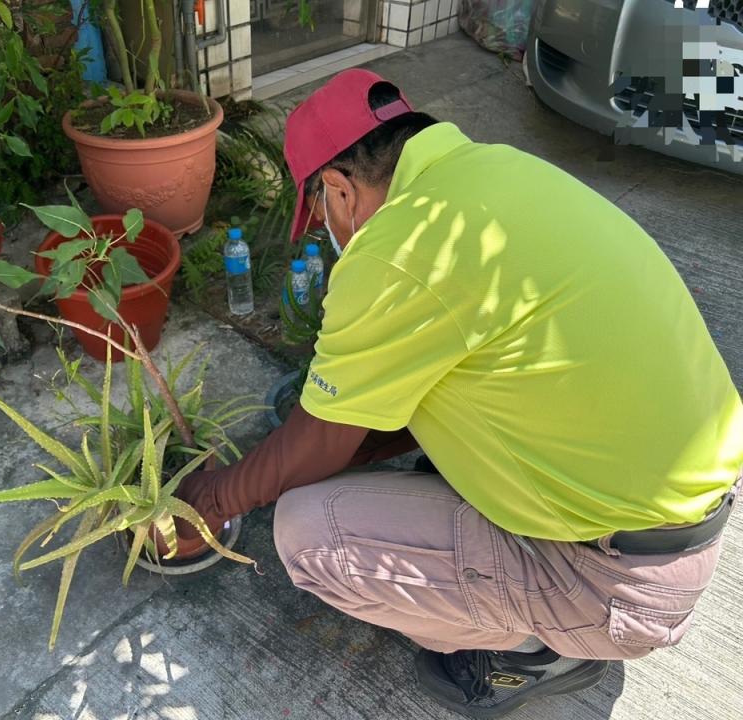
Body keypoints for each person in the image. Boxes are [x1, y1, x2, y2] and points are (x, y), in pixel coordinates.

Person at [177, 68, 743, 717]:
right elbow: (379, 418)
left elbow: (323, 436)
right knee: (414, 443)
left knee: (307, 533)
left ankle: (533, 651)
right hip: (682, 511)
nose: (328, 233)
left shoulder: (400, 244)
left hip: (620, 583)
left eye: (322, 215)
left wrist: (210, 497)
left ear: (338, 187)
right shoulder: (498, 175)